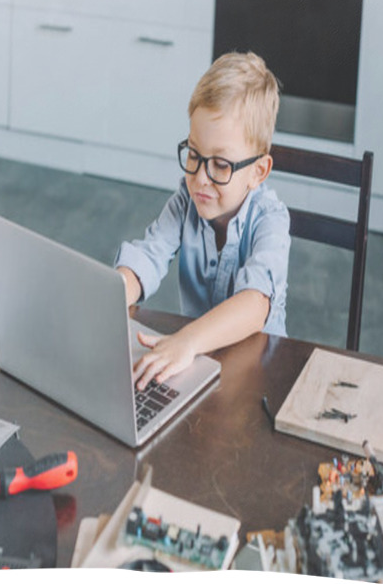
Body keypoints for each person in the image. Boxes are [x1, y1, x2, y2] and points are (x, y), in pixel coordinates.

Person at [115, 51, 290, 390]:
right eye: (194, 155)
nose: (200, 178)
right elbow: (147, 258)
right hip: (196, 368)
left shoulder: (271, 220)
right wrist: (111, 294)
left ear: (258, 172)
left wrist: (188, 340)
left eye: (221, 165)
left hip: (258, 377)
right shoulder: (186, 201)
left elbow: (255, 304)